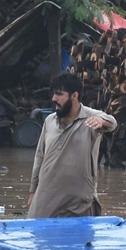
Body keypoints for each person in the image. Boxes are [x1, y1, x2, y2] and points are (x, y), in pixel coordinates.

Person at [27, 72, 117, 218]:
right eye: (54, 94)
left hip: (79, 201)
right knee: (37, 231)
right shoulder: (50, 121)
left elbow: (112, 122)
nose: (54, 99)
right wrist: (33, 191)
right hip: (46, 197)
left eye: (59, 94)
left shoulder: (91, 118)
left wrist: (101, 122)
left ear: (74, 96)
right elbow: (39, 157)